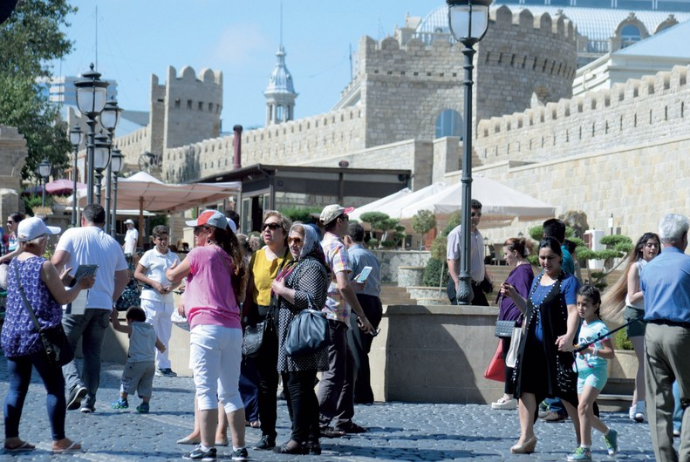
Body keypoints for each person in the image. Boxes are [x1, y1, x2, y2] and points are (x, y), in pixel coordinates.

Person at [1, 217, 95, 453]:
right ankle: (59, 440)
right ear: (38, 241)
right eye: (46, 238)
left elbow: (36, 292)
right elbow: (64, 298)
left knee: (16, 387)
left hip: (13, 334)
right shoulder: (43, 266)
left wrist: (60, 281)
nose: (48, 242)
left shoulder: (14, 266)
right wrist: (79, 286)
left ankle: (11, 438)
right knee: (54, 386)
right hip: (39, 336)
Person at [166, 209, 249, 461]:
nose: (195, 234)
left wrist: (172, 269)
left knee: (205, 390)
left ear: (209, 232)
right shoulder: (231, 259)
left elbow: (172, 276)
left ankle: (207, 447)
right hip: (232, 329)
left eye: (198, 230)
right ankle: (239, 449)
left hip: (206, 328)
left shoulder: (200, 253)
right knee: (231, 392)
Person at [501, 237, 581, 454]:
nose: (546, 262)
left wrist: (569, 336)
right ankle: (527, 437)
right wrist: (513, 294)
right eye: (542, 257)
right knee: (525, 389)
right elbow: (529, 310)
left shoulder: (568, 282)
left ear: (559, 258)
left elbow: (573, 311)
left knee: (566, 392)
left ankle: (583, 440)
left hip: (555, 346)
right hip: (532, 347)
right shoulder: (537, 281)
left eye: (551, 258)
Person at [52, 204, 129, 414]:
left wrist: (55, 284)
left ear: (83, 219)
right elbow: (124, 276)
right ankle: (90, 402)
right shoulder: (113, 243)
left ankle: (75, 384)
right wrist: (111, 299)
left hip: (79, 296)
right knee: (93, 353)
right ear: (104, 222)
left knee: (64, 346)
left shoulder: (73, 233)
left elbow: (56, 262)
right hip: (103, 302)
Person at [271, 223, 329, 455]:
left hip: (302, 336)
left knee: (297, 387)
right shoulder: (298, 264)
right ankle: (311, 438)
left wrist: (281, 289)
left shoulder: (312, 266)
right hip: (293, 333)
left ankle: (298, 438)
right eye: (292, 240)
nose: (294, 245)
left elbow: (311, 299)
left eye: (299, 240)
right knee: (301, 387)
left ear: (310, 242)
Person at [317, 204, 374, 437]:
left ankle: (343, 419)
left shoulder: (321, 245)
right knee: (334, 373)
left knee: (348, 368)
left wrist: (352, 286)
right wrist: (361, 314)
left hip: (325, 313)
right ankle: (319, 422)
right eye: (346, 217)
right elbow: (341, 285)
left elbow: (335, 282)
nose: (349, 221)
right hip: (334, 316)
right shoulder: (339, 247)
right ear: (339, 221)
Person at [640, 213, 690, 462]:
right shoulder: (688, 265)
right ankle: (686, 455)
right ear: (684, 237)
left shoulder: (648, 268)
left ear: (661, 238)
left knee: (658, 402)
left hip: (652, 332)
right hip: (681, 332)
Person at [241, 211, 292, 450]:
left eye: (273, 226)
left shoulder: (294, 257)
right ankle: (268, 433)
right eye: (264, 226)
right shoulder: (258, 256)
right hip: (261, 322)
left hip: (288, 321)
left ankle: (300, 434)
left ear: (285, 231)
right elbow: (250, 289)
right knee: (265, 383)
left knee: (293, 381)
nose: (267, 230)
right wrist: (245, 320)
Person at [601, 232, 660, 423]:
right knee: (645, 360)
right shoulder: (636, 267)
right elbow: (633, 296)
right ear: (641, 248)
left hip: (653, 316)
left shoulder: (659, 267)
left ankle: (637, 404)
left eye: (656, 245)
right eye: (649, 245)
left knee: (650, 362)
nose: (652, 248)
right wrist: (652, 288)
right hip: (636, 316)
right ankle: (640, 405)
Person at [569, 285, 618, 461]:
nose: (581, 308)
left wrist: (591, 351)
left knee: (582, 408)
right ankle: (608, 432)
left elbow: (610, 353)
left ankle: (585, 449)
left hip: (596, 372)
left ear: (596, 306)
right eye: (578, 304)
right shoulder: (582, 325)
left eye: (585, 305)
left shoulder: (600, 328)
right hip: (581, 372)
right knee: (586, 413)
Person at [491, 237, 534, 411]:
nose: (505, 258)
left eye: (507, 254)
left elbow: (524, 299)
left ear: (516, 253)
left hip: (514, 322)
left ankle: (509, 395)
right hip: (509, 321)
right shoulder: (519, 270)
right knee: (508, 356)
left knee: (511, 358)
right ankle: (509, 394)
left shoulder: (523, 271)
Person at [344, 222, 383, 405]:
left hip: (359, 303)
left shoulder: (350, 255)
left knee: (357, 351)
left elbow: (347, 284)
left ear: (347, 238)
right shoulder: (372, 256)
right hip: (375, 303)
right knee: (362, 349)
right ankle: (361, 392)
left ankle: (362, 393)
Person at [134, 225, 181, 377]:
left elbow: (179, 278)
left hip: (167, 299)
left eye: (166, 239)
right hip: (150, 298)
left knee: (165, 334)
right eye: (160, 239)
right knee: (148, 332)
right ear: (154, 240)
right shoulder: (149, 255)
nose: (163, 242)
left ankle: (163, 365)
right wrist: (154, 283)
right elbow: (137, 273)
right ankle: (146, 363)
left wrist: (171, 286)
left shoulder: (174, 257)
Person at [540, 218, 574, 422]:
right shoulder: (567, 255)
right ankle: (554, 402)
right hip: (555, 318)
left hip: (559, 319)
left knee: (560, 366)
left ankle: (559, 406)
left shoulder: (564, 264)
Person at [110, 306, 165, 413]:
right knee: (147, 383)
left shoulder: (133, 328)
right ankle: (145, 404)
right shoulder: (151, 329)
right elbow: (160, 346)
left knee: (127, 379)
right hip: (150, 363)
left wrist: (114, 316)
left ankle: (123, 400)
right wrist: (163, 349)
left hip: (135, 362)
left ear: (130, 319)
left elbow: (116, 327)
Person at [446, 199, 491, 306]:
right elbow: (451, 260)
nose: (476, 217)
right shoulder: (457, 233)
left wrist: (487, 279)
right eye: (472, 214)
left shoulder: (479, 235)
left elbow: (480, 261)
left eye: (479, 214)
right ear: (465, 214)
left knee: (485, 319)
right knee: (463, 320)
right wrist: (457, 282)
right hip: (463, 285)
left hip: (477, 287)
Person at [0, 212, 25, 290]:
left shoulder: (22, 237)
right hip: (6, 264)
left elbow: (17, 251)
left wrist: (1, 258)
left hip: (18, 265)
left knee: (5, 284)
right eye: (7, 222)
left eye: (10, 222)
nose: (7, 224)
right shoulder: (8, 237)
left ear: (18, 223)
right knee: (4, 283)